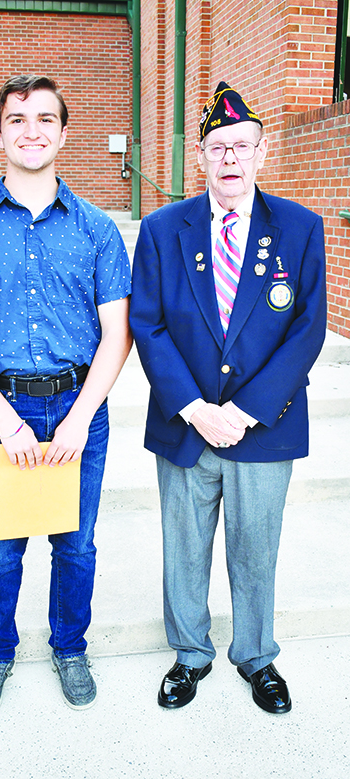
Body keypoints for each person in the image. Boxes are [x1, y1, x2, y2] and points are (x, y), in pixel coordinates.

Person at [0, 74, 132, 717]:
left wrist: (80, 417)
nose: (32, 129)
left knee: (75, 542)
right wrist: (8, 422)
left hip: (78, 411)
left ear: (65, 133)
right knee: (0, 542)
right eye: (17, 119)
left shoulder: (98, 229)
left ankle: (70, 647)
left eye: (45, 117)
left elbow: (117, 335)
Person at [129, 82, 326, 713]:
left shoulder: (300, 228)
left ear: (263, 152)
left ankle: (257, 655)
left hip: (263, 427)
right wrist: (195, 408)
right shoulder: (163, 229)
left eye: (242, 145)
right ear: (203, 159)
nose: (230, 158)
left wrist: (242, 411)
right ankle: (190, 654)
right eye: (218, 148)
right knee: (183, 547)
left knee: (255, 548)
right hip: (186, 424)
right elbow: (148, 323)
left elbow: (307, 328)